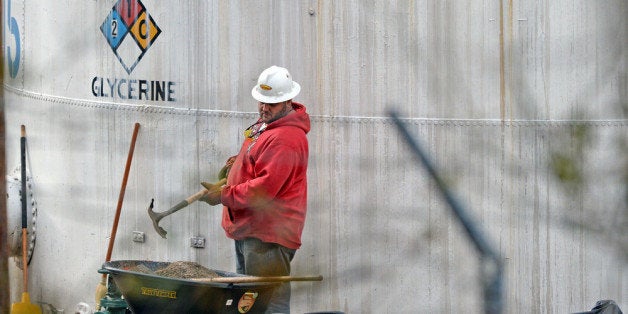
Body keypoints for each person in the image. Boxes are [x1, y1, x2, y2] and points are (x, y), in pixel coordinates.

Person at [202, 65, 311, 314]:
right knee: (250, 302)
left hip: (268, 234)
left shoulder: (286, 138)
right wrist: (237, 164)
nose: (264, 108)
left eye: (271, 104)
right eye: (262, 102)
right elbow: (259, 160)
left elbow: (264, 189)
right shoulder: (267, 126)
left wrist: (223, 196)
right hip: (254, 229)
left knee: (266, 302)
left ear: (288, 101)